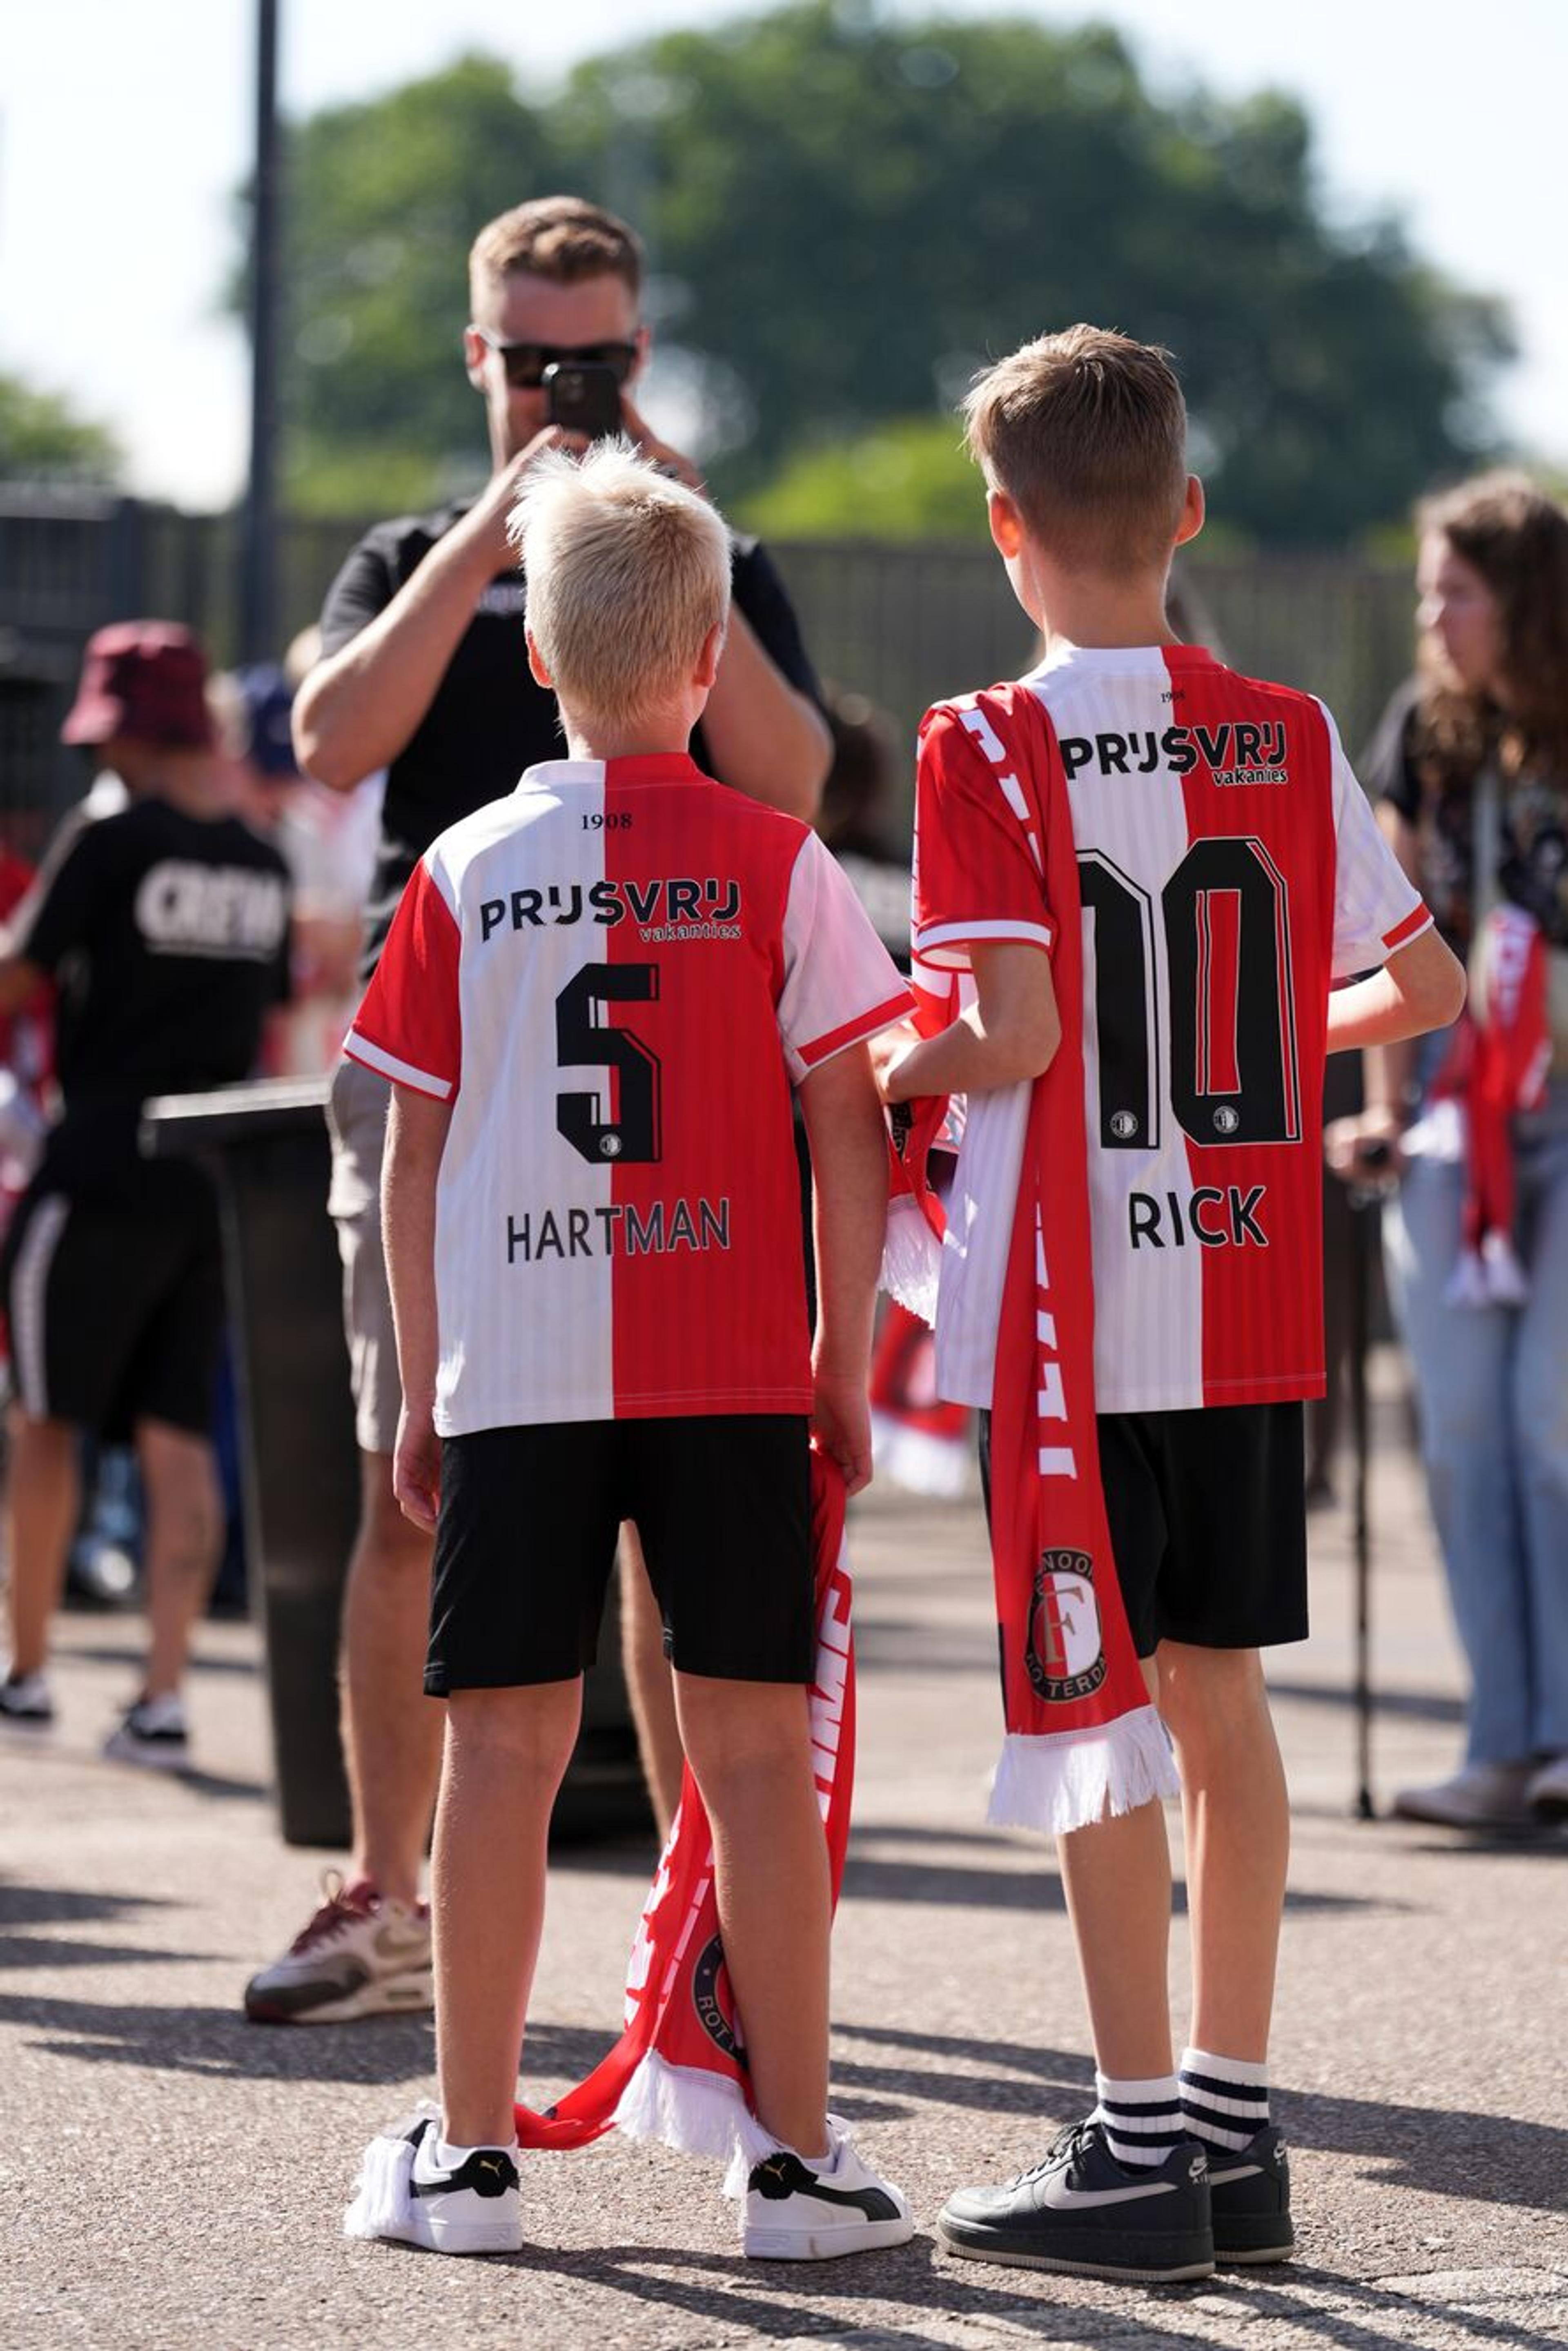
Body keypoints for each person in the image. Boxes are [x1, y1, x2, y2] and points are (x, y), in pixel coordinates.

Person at [876, 327, 1463, 2282]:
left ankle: (1137, 2147)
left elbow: (1016, 1026)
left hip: (1081, 1309)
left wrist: (868, 1069)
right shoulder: (1289, 730)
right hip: (1242, 1278)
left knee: (1096, 1715)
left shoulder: (982, 743)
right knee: (1222, 1703)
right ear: (1188, 515)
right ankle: (1233, 2114)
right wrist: (1267, 1061)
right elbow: (1431, 988)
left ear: (1005, 531)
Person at [245, 195, 833, 2023]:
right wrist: (496, 532)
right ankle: (383, 1895)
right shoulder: (417, 545)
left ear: (639, 355)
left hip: (668, 1072)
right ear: (476, 352)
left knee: (678, 1495)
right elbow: (328, 740)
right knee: (403, 1462)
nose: (553, 385)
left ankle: (703, 1927)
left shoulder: (701, 550)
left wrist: (666, 523)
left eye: (589, 355)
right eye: (524, 355)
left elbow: (798, 775)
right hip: (452, 1061)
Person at [338, 439, 913, 2257]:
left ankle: (471, 2157)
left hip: (514, 1366)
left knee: (497, 1756)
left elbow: (411, 1142)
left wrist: (425, 1377)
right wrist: (840, 1360)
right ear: (705, 658)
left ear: (535, 658)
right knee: (755, 1760)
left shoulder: (462, 864)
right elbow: (849, 1125)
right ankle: (797, 2164)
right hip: (734, 1360)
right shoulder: (779, 859)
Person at [0, 622, 291, 1763]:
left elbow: (20, 975)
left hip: (97, 1163)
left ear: (124, 731)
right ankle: (161, 1695)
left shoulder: (107, 839)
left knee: (46, 1421)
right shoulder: (263, 864)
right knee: (178, 1436)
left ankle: (24, 1673)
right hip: (210, 1181)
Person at [1329, 474, 1568, 1829]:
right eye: (1430, 588)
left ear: (1525, 600)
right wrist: (1382, 1103)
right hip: (1450, 1119)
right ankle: (1502, 1741)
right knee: (1464, 1434)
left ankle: (1561, 1733)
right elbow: (1393, 924)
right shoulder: (1423, 733)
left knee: (1554, 1421)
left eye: (1458, 590)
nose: (1434, 615)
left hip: (1564, 1115)